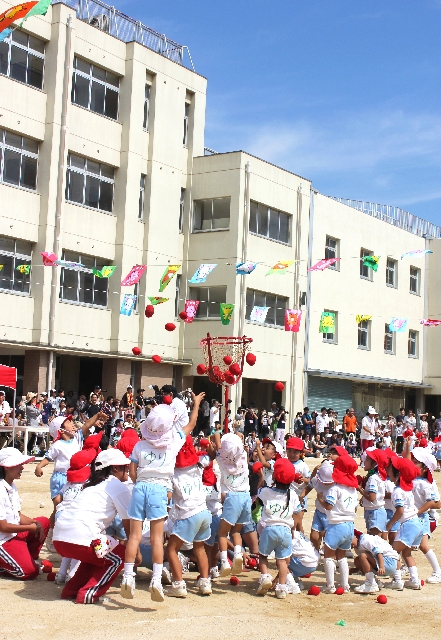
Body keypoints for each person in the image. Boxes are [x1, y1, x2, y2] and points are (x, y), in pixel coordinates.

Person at [121, 392, 204, 602]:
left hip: (141, 487)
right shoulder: (174, 441)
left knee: (134, 536)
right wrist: (195, 404)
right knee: (157, 538)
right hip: (160, 489)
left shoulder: (139, 445)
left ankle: (128, 576)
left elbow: (132, 472)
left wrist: (140, 481)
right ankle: (156, 579)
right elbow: (192, 424)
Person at [53, 448, 133, 604]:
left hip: (60, 539)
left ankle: (71, 590)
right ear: (115, 468)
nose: (128, 469)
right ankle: (89, 593)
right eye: (125, 466)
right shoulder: (117, 486)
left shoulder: (90, 485)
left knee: (97, 555)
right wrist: (133, 550)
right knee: (119, 557)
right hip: (81, 539)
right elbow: (128, 526)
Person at [34, 411, 105, 550]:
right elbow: (48, 458)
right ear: (60, 430)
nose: (72, 424)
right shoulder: (57, 445)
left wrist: (97, 415)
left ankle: (68, 536)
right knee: (58, 507)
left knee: (72, 506)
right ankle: (51, 536)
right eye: (68, 422)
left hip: (74, 478)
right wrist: (39, 466)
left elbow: (86, 425)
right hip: (60, 478)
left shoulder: (77, 438)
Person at [166, 435, 213, 597]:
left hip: (188, 514)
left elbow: (168, 496)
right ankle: (205, 582)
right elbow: (211, 456)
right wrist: (211, 443)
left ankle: (178, 584)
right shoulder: (199, 464)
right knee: (199, 548)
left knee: (171, 549)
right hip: (204, 512)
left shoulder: (172, 473)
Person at [0, 448, 50, 579]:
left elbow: (17, 515)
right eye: (18, 465)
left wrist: (34, 523)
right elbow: (3, 527)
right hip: (3, 540)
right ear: (7, 467)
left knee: (43, 522)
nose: (22, 468)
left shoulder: (11, 486)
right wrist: (30, 527)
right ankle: (6, 565)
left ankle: (27, 558)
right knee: (29, 572)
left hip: (12, 534)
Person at [255, 458, 301, 599]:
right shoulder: (293, 495)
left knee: (263, 555)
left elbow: (258, 494)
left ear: (274, 477)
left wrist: (261, 477)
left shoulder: (266, 491)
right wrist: (293, 529)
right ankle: (281, 587)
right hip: (286, 530)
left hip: (269, 529)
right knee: (282, 560)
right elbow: (297, 514)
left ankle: (265, 576)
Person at [316, 453, 358, 594]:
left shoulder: (335, 489)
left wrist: (320, 499)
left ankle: (330, 585)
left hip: (336, 525)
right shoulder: (353, 490)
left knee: (328, 556)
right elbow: (355, 508)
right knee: (342, 556)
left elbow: (329, 506)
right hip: (349, 525)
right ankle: (345, 585)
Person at [212, 431, 251, 578]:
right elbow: (235, 447)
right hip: (245, 496)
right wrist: (239, 437)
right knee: (236, 531)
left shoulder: (221, 459)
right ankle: (238, 554)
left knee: (222, 533)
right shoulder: (244, 456)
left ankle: (224, 562)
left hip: (232, 497)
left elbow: (216, 436)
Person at [385, 455, 424, 590]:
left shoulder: (397, 491)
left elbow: (400, 511)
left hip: (408, 524)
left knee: (393, 552)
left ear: (398, 474)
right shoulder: (407, 489)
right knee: (406, 553)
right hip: (416, 524)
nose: (387, 469)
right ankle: (414, 580)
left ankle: (397, 581)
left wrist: (390, 523)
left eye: (390, 468)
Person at [408, 447, 441, 583]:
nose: (412, 463)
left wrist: (418, 511)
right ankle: (408, 570)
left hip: (420, 518)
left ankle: (437, 572)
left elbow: (436, 503)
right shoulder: (413, 479)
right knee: (407, 546)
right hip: (412, 518)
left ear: (425, 468)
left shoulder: (425, 484)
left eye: (416, 462)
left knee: (422, 546)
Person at [352, 529, 399, 593]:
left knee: (363, 555)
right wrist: (357, 569)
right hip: (388, 563)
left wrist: (382, 567)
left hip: (388, 562)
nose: (349, 545)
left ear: (355, 536)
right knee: (357, 560)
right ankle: (375, 582)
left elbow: (378, 553)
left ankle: (370, 583)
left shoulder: (366, 540)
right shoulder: (357, 546)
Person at [301, 459, 334, 551]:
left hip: (332, 514)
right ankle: (315, 554)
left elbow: (329, 506)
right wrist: (301, 497)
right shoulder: (316, 480)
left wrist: (320, 498)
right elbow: (308, 487)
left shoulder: (338, 484)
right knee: (314, 536)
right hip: (319, 511)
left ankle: (330, 556)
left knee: (329, 537)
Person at [357, 448, 388, 535]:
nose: (364, 462)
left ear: (374, 463)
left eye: (367, 460)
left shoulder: (373, 478)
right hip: (374, 511)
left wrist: (359, 489)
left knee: (374, 540)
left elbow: (372, 497)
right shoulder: (376, 476)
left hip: (375, 512)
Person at [285, 437, 311, 532]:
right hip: (287, 496)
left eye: (295, 452)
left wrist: (304, 479)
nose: (292, 454)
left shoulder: (302, 465)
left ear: (301, 453)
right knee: (290, 522)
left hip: (300, 496)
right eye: (289, 451)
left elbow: (310, 480)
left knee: (298, 523)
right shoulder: (285, 463)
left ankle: (301, 539)